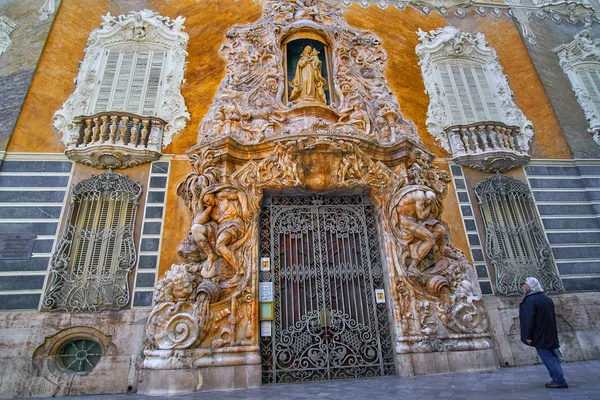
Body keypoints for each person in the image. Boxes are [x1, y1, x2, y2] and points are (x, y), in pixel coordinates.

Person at [519, 277, 568, 389]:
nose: (523, 286)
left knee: (547, 357)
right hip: (550, 332)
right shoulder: (546, 298)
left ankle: (559, 380)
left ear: (530, 286)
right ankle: (558, 378)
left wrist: (527, 335)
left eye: (525, 284)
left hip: (539, 333)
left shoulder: (531, 300)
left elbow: (529, 319)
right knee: (553, 356)